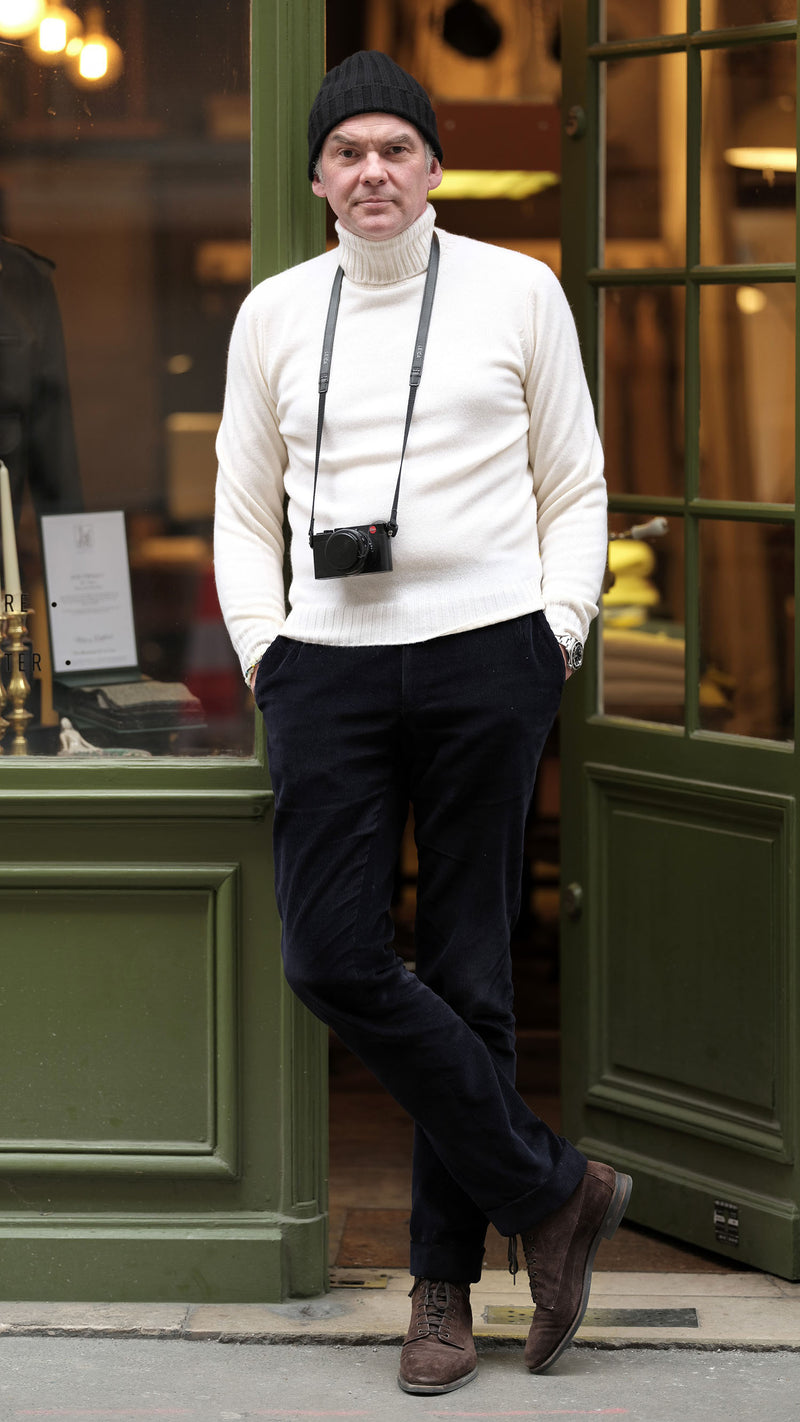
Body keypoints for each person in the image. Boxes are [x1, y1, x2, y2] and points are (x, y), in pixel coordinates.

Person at [214, 50, 631, 1397]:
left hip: (485, 657)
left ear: (434, 166)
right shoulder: (278, 312)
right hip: (327, 662)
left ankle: (442, 1294)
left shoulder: (519, 290)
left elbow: (575, 477)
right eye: (348, 153)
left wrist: (555, 631)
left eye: (396, 147)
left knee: (469, 971)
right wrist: (270, 653)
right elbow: (244, 506)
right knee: (331, 951)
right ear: (319, 175)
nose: (372, 171)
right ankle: (555, 1190)